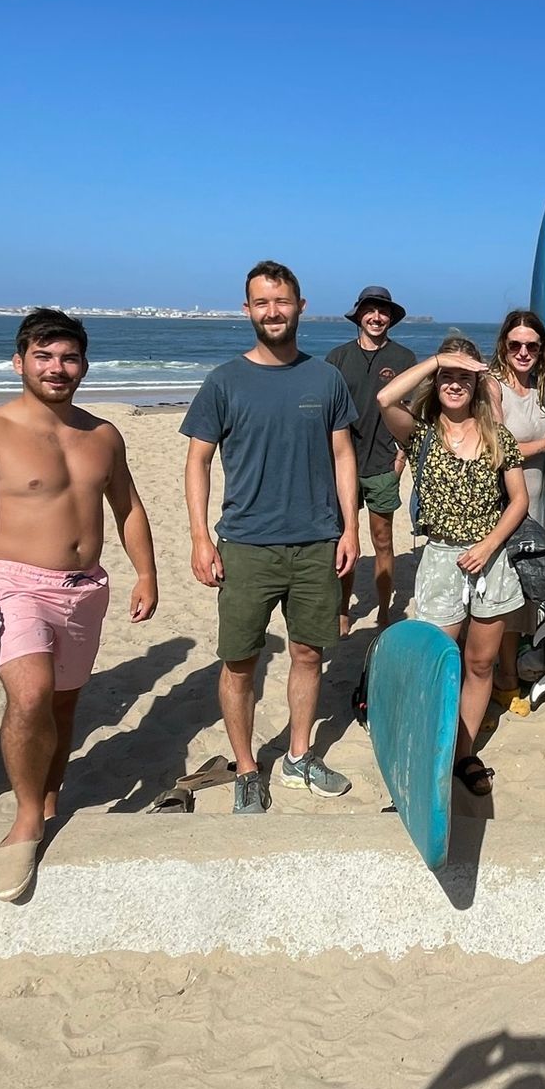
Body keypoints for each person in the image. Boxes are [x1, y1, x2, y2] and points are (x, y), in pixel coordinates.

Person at [0, 309, 159, 900]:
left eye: (69, 357)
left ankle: (49, 798)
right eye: (44, 356)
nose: (57, 368)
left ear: (83, 364)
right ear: (19, 361)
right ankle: (27, 820)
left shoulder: (103, 434)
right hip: (11, 583)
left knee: (61, 705)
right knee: (28, 697)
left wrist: (146, 574)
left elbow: (127, 507)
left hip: (85, 589)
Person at [183, 260, 359, 813]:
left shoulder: (325, 378)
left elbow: (342, 454)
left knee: (308, 654)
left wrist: (350, 527)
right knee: (240, 661)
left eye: (281, 301)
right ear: (248, 310)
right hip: (246, 544)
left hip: (316, 542)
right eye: (262, 302)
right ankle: (247, 768)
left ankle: (299, 757)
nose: (273, 311)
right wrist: (198, 537)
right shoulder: (224, 381)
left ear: (301, 306)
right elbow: (198, 460)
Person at [377, 338, 530, 797]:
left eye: (466, 376)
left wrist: (489, 544)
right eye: (448, 376)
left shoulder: (498, 437)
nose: (456, 384)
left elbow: (519, 500)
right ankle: (432, 750)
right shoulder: (420, 433)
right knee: (440, 664)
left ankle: (463, 751)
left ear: (478, 384)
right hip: (442, 560)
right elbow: (385, 398)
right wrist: (438, 360)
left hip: (491, 559)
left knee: (480, 663)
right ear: (436, 382)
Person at [488, 311, 545, 707]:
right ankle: (504, 680)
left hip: (537, 500)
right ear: (504, 345)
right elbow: (494, 448)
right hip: (504, 504)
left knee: (525, 592)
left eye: (532, 346)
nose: (523, 352)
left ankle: (516, 662)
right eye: (515, 344)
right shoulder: (493, 388)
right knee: (504, 592)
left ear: (542, 351)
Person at [325, 286, 417, 634]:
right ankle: (343, 609)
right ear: (359, 315)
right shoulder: (337, 358)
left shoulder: (405, 358)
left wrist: (402, 456)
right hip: (341, 467)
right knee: (344, 540)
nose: (377, 317)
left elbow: (412, 410)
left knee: (382, 541)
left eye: (383, 312)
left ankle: (383, 610)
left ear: (390, 318)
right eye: (370, 311)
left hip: (382, 465)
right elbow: (326, 412)